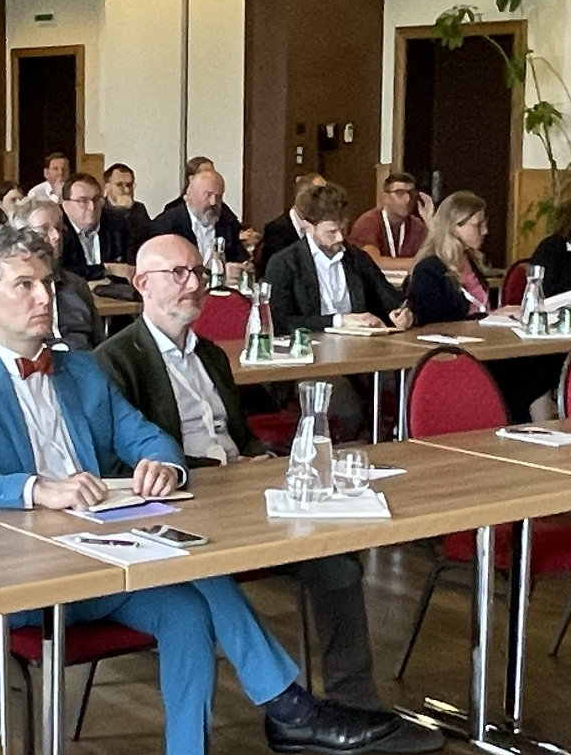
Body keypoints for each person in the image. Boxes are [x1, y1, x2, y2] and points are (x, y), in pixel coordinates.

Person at [0, 226, 411, 755]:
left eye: (47, 283)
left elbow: (154, 438)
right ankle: (289, 706)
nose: (43, 297)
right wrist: (37, 488)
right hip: (21, 576)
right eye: (23, 285)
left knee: (185, 605)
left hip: (105, 559)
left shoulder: (83, 371)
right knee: (187, 570)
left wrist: (162, 468)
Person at [98, 232, 411, 718]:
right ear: (142, 283)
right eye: (177, 274)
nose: (193, 284)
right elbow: (123, 466)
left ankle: (355, 702)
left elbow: (239, 436)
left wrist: (259, 458)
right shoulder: (115, 360)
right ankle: (290, 704)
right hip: (186, 502)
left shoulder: (212, 355)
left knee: (335, 551)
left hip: (242, 490)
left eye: (198, 273)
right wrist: (223, 470)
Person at [407, 191, 562, 420]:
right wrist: (490, 317)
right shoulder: (429, 270)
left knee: (543, 362)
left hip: (484, 348)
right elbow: (437, 323)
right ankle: (538, 432)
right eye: (478, 225)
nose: (485, 231)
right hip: (453, 356)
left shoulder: (470, 262)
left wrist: (498, 316)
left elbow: (480, 312)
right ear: (454, 227)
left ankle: (541, 431)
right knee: (532, 371)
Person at [263, 183, 410, 336]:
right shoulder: (285, 263)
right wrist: (339, 321)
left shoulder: (357, 258)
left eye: (343, 229)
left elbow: (389, 300)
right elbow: (280, 322)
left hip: (359, 347)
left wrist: (401, 313)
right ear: (308, 227)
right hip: (311, 349)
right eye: (331, 232)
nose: (340, 237)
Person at [14, 196, 106, 352]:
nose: (55, 236)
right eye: (44, 230)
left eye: (58, 228)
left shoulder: (76, 285)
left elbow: (99, 345)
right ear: (21, 237)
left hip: (81, 366)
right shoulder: (10, 288)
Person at [145, 157, 252, 271]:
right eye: (208, 195)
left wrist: (243, 268)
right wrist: (220, 273)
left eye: (219, 196)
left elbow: (239, 258)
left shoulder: (225, 220)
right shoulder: (167, 224)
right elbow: (170, 271)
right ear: (190, 195)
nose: (213, 202)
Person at [57, 172, 132, 280]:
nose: (92, 207)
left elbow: (129, 268)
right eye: (83, 201)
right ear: (65, 205)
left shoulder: (117, 224)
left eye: (96, 200)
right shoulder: (57, 230)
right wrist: (107, 269)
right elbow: (62, 273)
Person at [254, 173, 328, 275]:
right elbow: (277, 270)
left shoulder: (324, 227)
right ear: (302, 197)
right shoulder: (276, 229)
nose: (325, 201)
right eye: (319, 195)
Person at [348, 170, 429, 261]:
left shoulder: (417, 225)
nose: (407, 199)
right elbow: (374, 262)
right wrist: (416, 264)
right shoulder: (368, 222)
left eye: (411, 193)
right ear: (385, 198)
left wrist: (430, 222)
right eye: (400, 193)